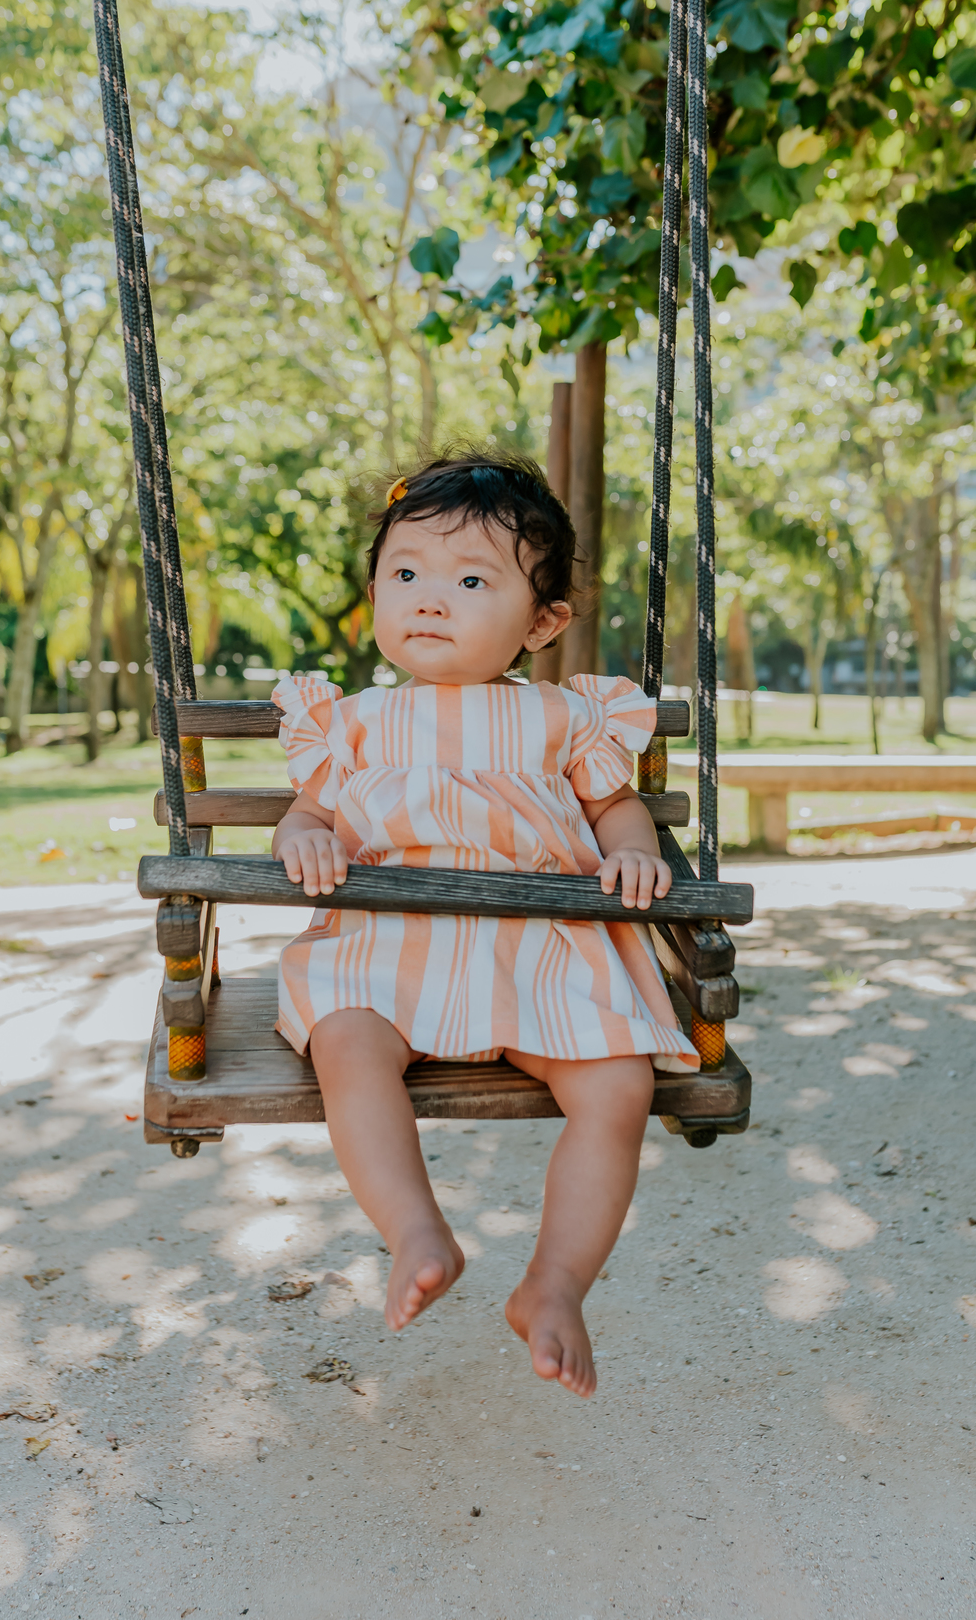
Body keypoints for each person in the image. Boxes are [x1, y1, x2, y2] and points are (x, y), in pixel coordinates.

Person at [270, 452, 697, 1398]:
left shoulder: (561, 718)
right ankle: (414, 1229)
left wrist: (631, 850)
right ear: (377, 590)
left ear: (542, 622)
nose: (430, 598)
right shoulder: (354, 724)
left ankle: (554, 1284)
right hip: (390, 947)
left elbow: (612, 808)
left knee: (618, 1084)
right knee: (346, 1045)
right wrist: (304, 840)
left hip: (539, 947)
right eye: (407, 573)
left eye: (471, 581)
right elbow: (310, 814)